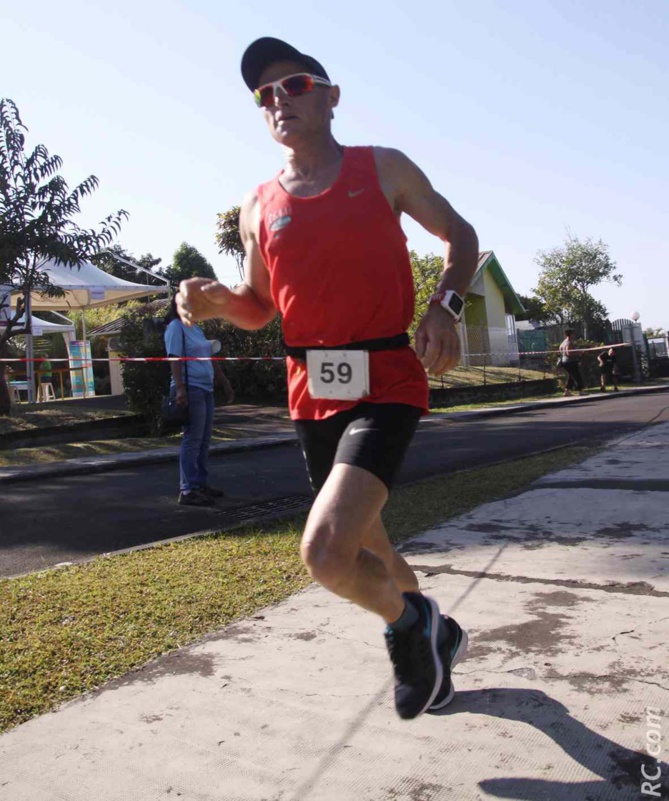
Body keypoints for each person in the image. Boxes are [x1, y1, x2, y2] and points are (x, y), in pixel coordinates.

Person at [176, 37, 479, 719]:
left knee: (324, 550)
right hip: (310, 390)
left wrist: (443, 306)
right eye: (266, 94)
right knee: (367, 542)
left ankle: (408, 629)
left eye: (296, 85)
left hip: (385, 376)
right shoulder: (258, 204)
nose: (280, 100)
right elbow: (259, 308)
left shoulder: (382, 168)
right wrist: (221, 302)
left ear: (331, 94)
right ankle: (437, 630)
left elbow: (460, 237)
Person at [164, 297, 227, 507]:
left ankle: (200, 483)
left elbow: (208, 354)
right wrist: (180, 388)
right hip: (191, 390)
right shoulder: (175, 327)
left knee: (204, 439)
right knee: (193, 439)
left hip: (206, 388)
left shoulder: (196, 328)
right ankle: (188, 489)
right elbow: (174, 358)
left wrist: (223, 380)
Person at [558, 329, 586, 396]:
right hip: (571, 362)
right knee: (577, 376)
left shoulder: (563, 342)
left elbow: (560, 350)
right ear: (570, 334)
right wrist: (579, 353)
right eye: (573, 334)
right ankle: (581, 390)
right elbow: (569, 353)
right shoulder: (569, 342)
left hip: (564, 361)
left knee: (571, 376)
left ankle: (566, 391)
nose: (574, 335)